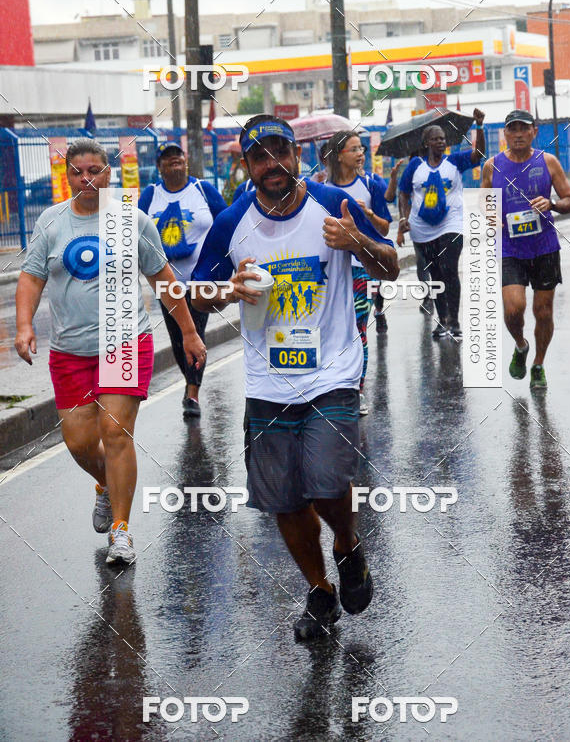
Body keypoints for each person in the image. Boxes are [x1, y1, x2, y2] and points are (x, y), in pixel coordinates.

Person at [189, 115, 399, 642]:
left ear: (296, 156)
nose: (272, 164)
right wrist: (227, 291)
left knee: (327, 482)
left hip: (333, 373)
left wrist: (357, 241)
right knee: (284, 500)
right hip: (266, 383)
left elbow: (391, 265)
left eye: (280, 152)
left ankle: (347, 545)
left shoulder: (335, 204)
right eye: (260, 156)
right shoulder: (232, 222)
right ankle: (320, 590)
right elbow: (197, 293)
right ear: (246, 165)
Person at [14, 138, 206, 566]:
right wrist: (24, 326)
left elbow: (163, 278)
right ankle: (106, 485)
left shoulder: (130, 220)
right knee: (80, 443)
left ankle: (121, 530)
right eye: (77, 172)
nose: (86, 179)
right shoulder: (51, 221)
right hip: (70, 351)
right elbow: (31, 277)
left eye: (95, 170)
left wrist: (189, 333)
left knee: (115, 433)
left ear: (109, 172)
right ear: (67, 176)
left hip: (125, 341)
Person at [481, 109, 570, 389]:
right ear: (505, 134)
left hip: (544, 246)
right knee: (514, 309)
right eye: (512, 129)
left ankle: (538, 364)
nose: (518, 134)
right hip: (510, 247)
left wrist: (553, 204)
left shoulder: (548, 162)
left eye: (524, 128)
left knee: (543, 312)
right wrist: (491, 216)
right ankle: (521, 345)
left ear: (534, 131)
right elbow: (485, 199)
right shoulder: (492, 166)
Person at [138, 139, 226, 417]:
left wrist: (222, 262)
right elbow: (134, 229)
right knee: (177, 338)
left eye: (178, 155)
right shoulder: (151, 195)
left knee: (195, 331)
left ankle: (192, 392)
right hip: (166, 283)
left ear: (185, 161)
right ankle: (190, 381)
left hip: (201, 280)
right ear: (159, 166)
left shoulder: (202, 190)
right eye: (167, 157)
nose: (174, 159)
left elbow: (226, 222)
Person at [397, 109, 486, 340]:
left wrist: (479, 126)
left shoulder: (454, 161)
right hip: (422, 229)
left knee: (449, 268)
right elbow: (403, 193)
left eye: (443, 139)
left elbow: (478, 154)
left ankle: (454, 321)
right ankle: (442, 319)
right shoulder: (415, 165)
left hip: (451, 224)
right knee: (435, 273)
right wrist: (403, 218)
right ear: (426, 143)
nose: (441, 142)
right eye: (436, 139)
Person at [323, 130, 392, 415]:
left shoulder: (371, 184)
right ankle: (330, 384)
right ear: (339, 156)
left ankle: (357, 390)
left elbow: (385, 229)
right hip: (330, 272)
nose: (360, 153)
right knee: (334, 329)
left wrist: (368, 215)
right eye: (353, 149)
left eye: (361, 148)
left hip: (362, 269)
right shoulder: (322, 190)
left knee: (358, 328)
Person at [386, 150, 434, 315]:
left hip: (427, 223)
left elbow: (404, 196)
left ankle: (429, 298)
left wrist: (401, 229)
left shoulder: (417, 163)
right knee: (428, 262)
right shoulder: (430, 162)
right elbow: (404, 196)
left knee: (424, 262)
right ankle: (432, 298)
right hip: (429, 222)